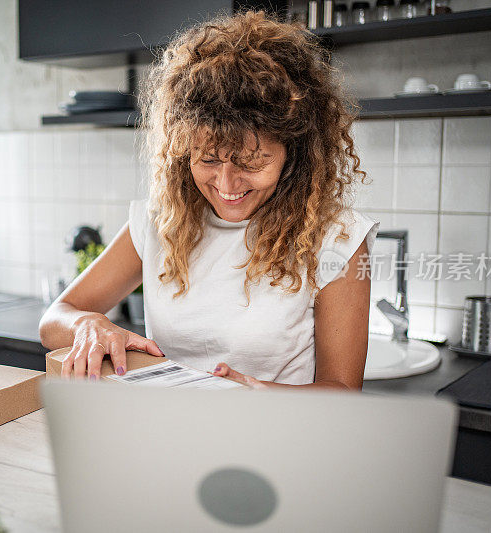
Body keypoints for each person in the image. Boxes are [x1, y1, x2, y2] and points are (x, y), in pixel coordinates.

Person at [38, 10, 379, 390]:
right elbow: (54, 320)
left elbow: (343, 392)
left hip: (275, 443)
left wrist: (259, 394)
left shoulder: (338, 238)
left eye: (252, 162)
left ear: (293, 151)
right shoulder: (161, 222)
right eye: (209, 160)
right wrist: (87, 324)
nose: (227, 183)